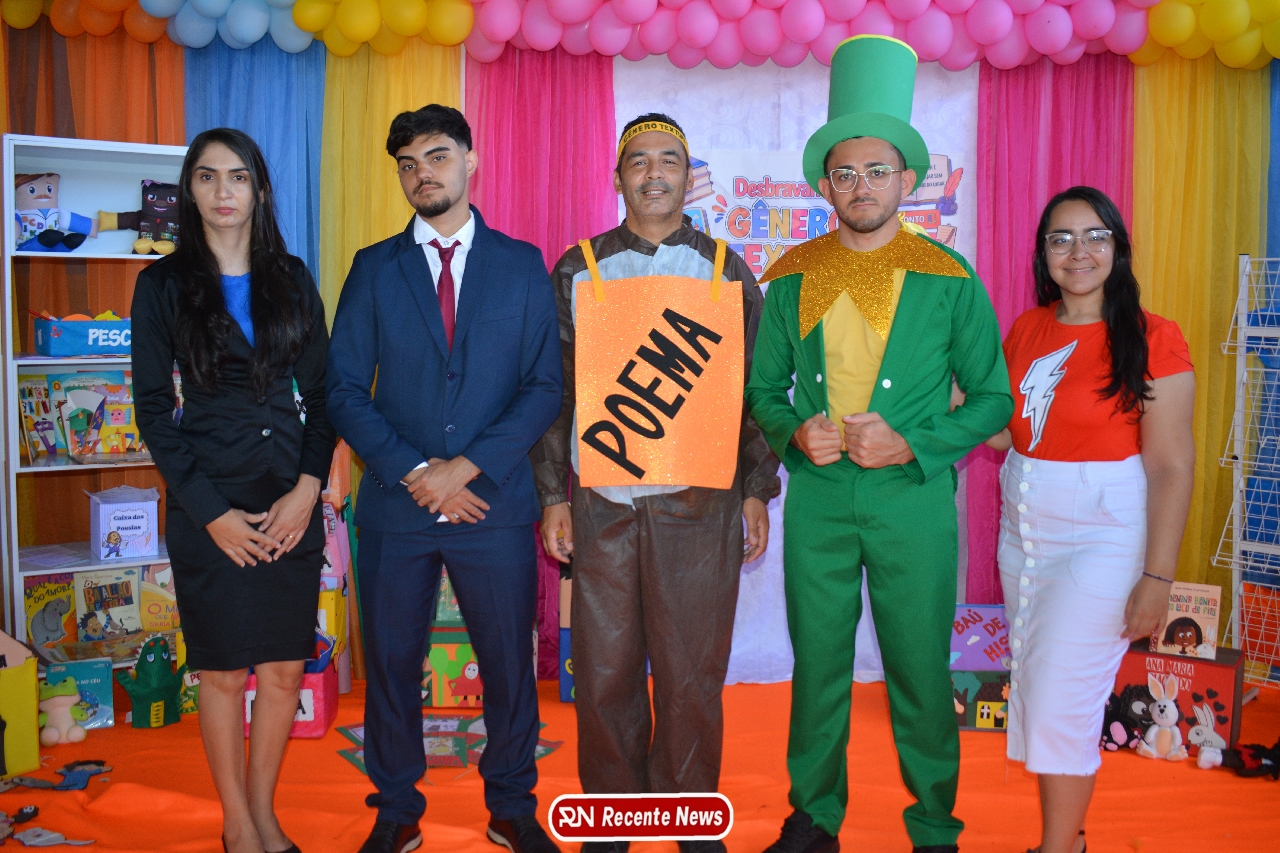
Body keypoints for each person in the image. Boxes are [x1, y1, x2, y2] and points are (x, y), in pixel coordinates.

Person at [744, 36, 1013, 853]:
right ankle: (813, 815)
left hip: (913, 504)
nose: (861, 185)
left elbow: (995, 400)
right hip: (822, 502)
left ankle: (933, 824)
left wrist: (913, 444)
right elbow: (762, 393)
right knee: (819, 665)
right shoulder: (791, 275)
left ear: (906, 179)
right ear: (826, 184)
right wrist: (795, 432)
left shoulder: (949, 278)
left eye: (877, 170)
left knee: (919, 668)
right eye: (845, 172)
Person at [532, 112, 781, 853]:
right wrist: (552, 495)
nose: (653, 173)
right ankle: (613, 820)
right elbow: (553, 391)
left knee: (690, 675)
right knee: (604, 674)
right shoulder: (578, 268)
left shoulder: (726, 270)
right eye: (638, 161)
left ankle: (689, 818)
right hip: (602, 503)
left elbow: (756, 389)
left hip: (700, 504)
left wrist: (756, 487)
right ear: (618, 178)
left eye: (668, 159)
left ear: (687, 174)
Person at [326, 104, 563, 853]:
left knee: (508, 667)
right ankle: (396, 810)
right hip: (397, 508)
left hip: (492, 503)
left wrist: (467, 467)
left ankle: (511, 807)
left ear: (470, 160)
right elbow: (342, 390)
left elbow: (544, 386)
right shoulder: (373, 268)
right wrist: (415, 470)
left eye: (436, 156)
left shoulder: (521, 264)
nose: (421, 174)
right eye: (407, 164)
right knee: (391, 667)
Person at [132, 128, 336, 853]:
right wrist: (211, 514)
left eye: (238, 176)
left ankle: (264, 814)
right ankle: (236, 826)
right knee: (219, 674)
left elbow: (325, 395)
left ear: (259, 190)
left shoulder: (292, 277)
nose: (224, 191)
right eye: (208, 176)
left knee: (283, 670)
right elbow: (153, 411)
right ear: (190, 190)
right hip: (208, 504)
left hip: (288, 502)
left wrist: (308, 488)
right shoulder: (161, 286)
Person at [984, 186, 1195, 853]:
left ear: (1117, 247)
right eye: (1061, 238)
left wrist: (1157, 577)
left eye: (1094, 236)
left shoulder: (1155, 337)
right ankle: (1065, 840)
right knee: (1042, 687)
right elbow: (1008, 431)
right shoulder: (1028, 328)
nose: (1078, 252)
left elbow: (1171, 467)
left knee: (1059, 698)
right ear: (1043, 253)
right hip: (1024, 528)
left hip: (1103, 536)